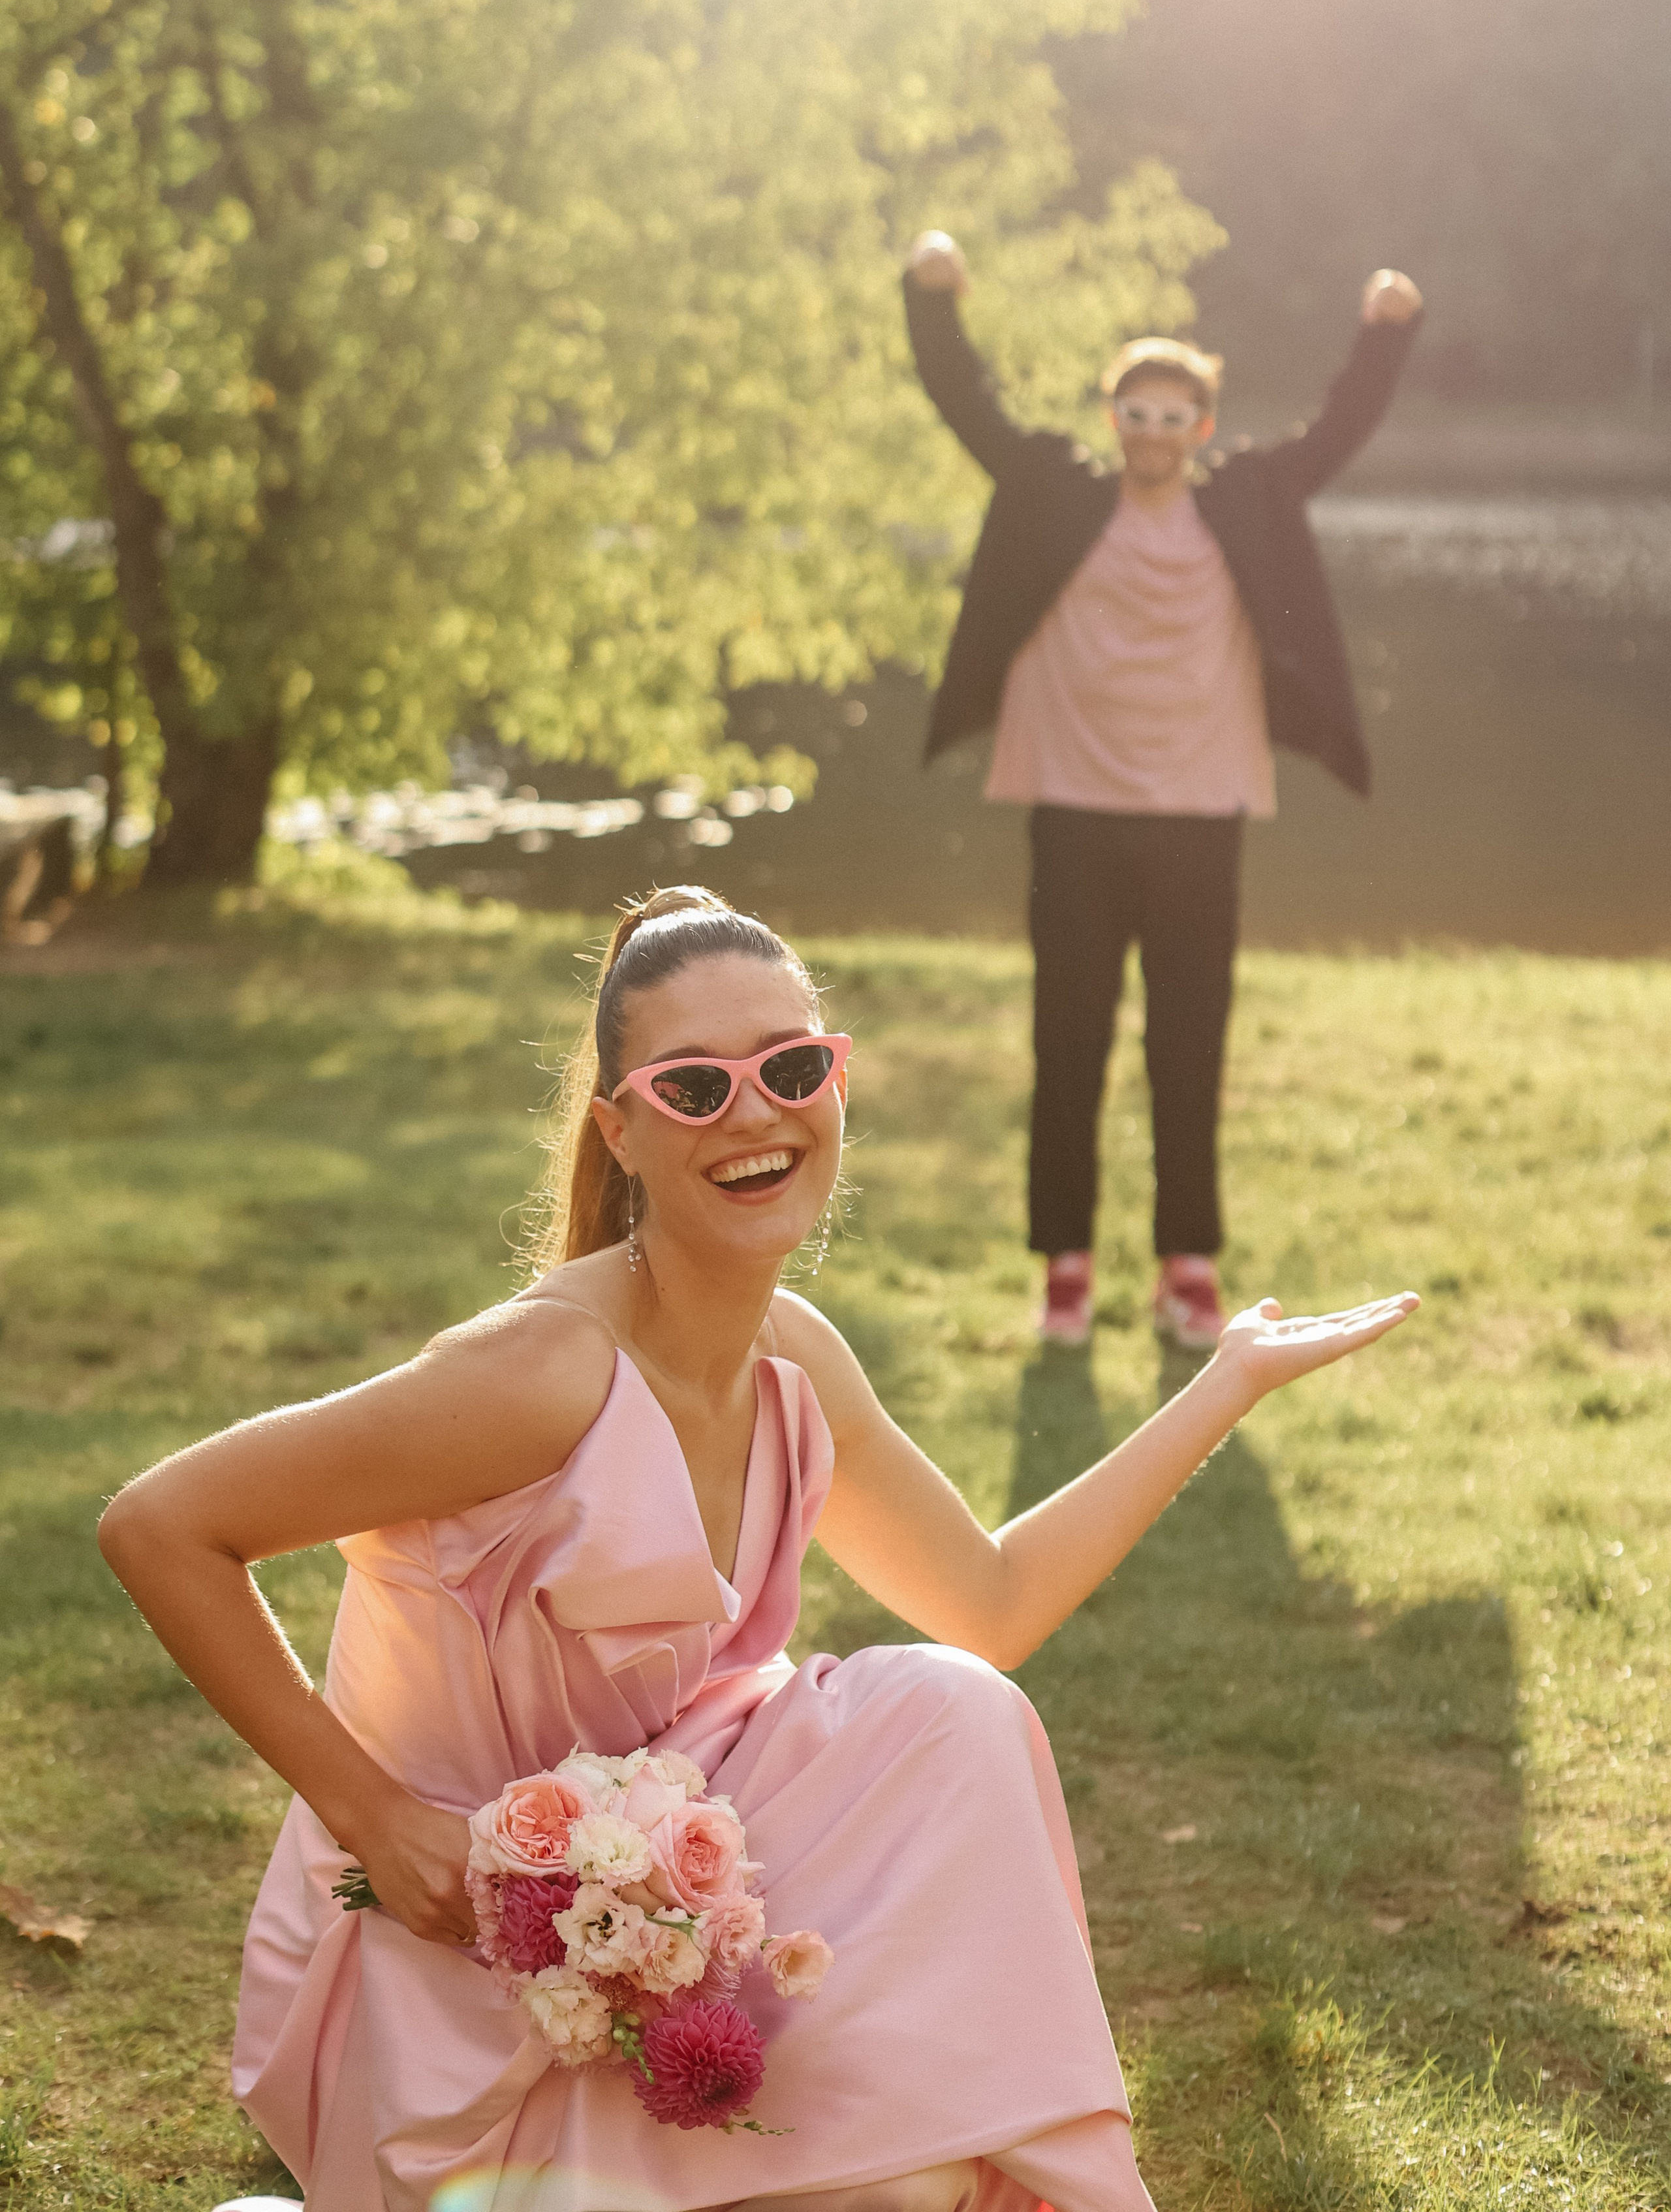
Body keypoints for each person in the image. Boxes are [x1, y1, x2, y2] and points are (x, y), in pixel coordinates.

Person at [99, 885, 1418, 2212]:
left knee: (949, 1715)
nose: (754, 1113)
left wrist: (1223, 1383)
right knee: (872, 2183)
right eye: (692, 1087)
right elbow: (162, 1525)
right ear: (620, 1128)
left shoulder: (793, 1357)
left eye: (791, 1068)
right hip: (444, 1952)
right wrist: (375, 1817)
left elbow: (989, 1602)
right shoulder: (541, 1374)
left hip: (666, 1905)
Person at [903, 237, 1424, 1350]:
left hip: (1201, 817)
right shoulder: (1053, 494)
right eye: (1133, 414)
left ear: (1201, 426)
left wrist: (1386, 332)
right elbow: (965, 402)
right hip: (1075, 814)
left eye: (1171, 416)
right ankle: (1067, 1274)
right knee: (1069, 1041)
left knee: (1190, 1043)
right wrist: (933, 296)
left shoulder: (1249, 502)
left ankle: (1189, 1270)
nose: (1151, 433)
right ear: (1113, 423)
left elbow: (1340, 428)